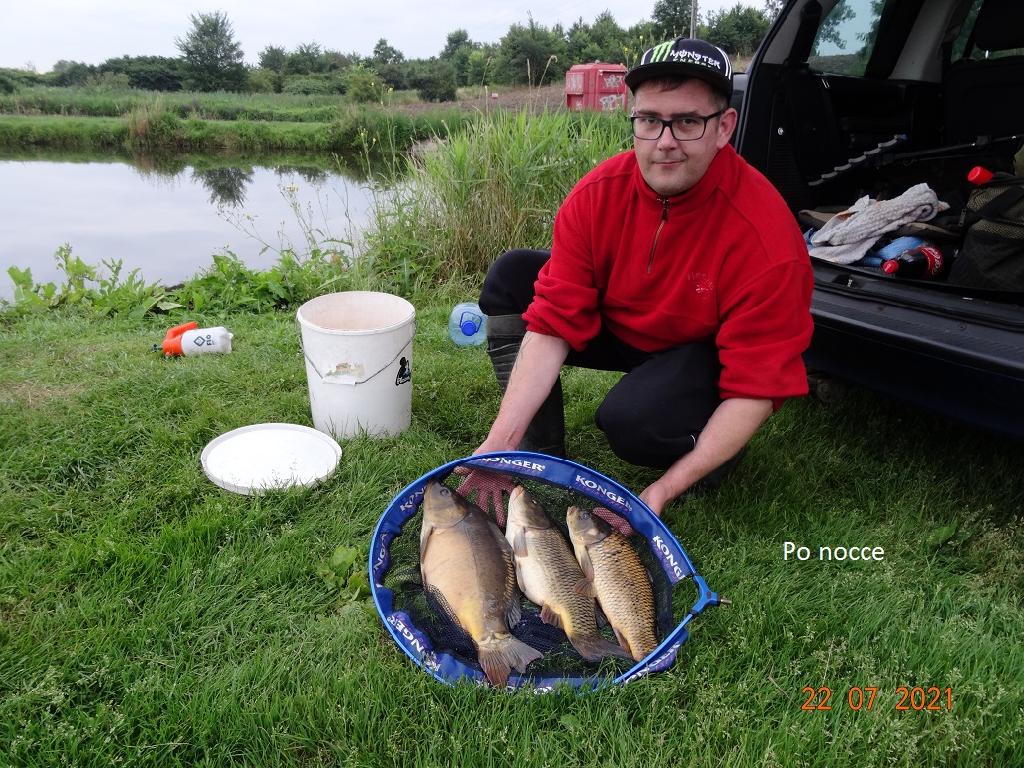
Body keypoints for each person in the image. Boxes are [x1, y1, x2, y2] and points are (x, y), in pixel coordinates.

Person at [466, 37, 813, 517]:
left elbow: (755, 388)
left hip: (700, 351)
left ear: (723, 127)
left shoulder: (767, 237)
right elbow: (551, 325)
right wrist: (498, 443)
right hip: (621, 326)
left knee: (631, 422)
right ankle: (536, 451)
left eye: (687, 122)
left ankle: (710, 455)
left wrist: (662, 490)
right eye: (650, 120)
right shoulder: (596, 195)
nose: (665, 142)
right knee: (512, 275)